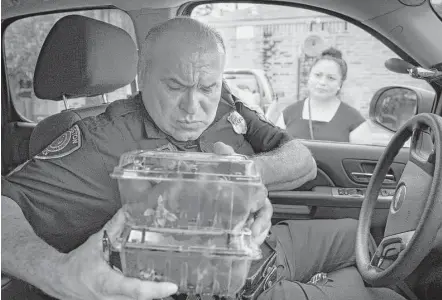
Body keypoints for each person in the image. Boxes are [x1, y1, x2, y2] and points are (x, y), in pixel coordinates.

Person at [1, 17, 405, 300]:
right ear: (143, 78)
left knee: (366, 242)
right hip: (224, 287)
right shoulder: (98, 140)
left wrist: (247, 173)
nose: (194, 107)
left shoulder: (226, 102)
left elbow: (302, 160)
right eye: (175, 86)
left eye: (207, 87)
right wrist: (57, 275)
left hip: (266, 246)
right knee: (387, 294)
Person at [275, 48, 365, 143]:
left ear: (340, 84)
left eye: (331, 78)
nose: (322, 82)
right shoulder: (288, 114)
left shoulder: (354, 120)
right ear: (309, 77)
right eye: (318, 75)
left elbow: (365, 156)